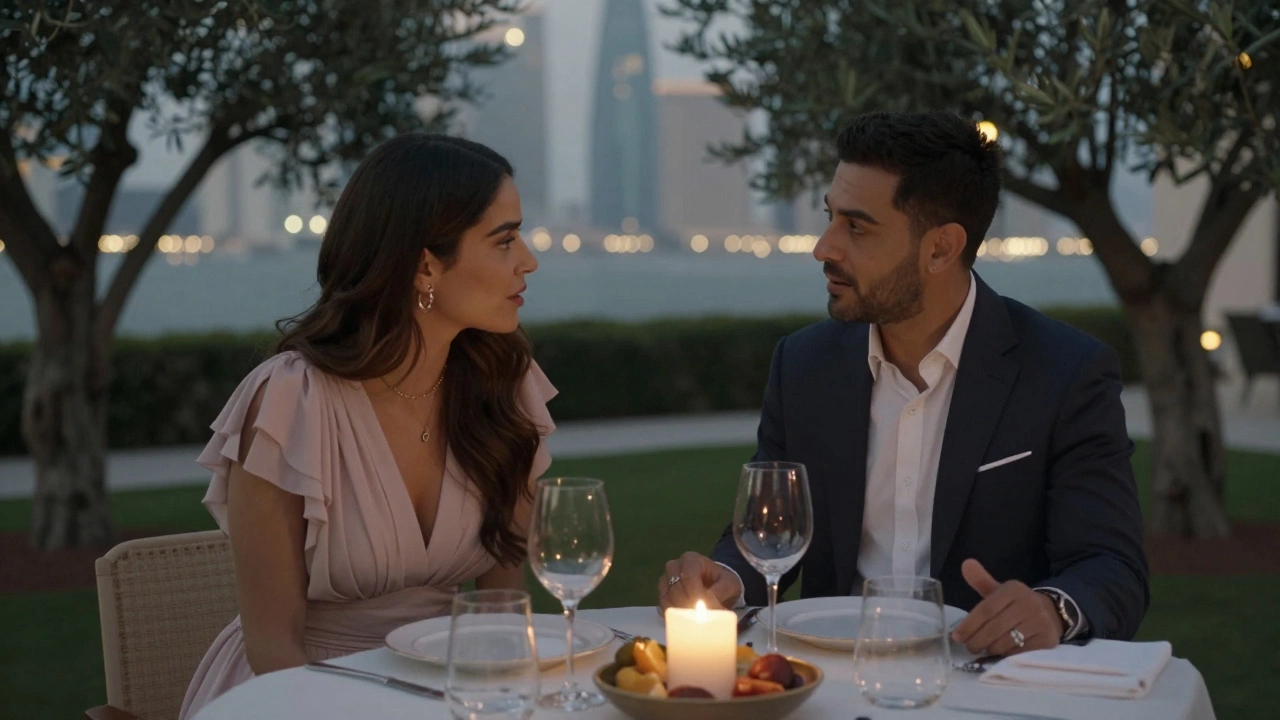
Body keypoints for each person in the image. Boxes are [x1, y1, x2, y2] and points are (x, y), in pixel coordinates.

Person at [657, 111, 1149, 657]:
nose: (824, 247)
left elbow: (1111, 566)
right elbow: (767, 535)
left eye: (857, 226)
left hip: (984, 684)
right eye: (830, 217)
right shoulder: (804, 365)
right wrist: (723, 574)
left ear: (940, 248)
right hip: (828, 679)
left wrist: (1051, 608)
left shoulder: (1063, 372)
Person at [180, 134, 552, 718]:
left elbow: (502, 610)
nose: (528, 259)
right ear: (426, 264)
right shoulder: (290, 403)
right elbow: (273, 645)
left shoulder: (505, 389)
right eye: (504, 241)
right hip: (298, 694)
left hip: (448, 694)